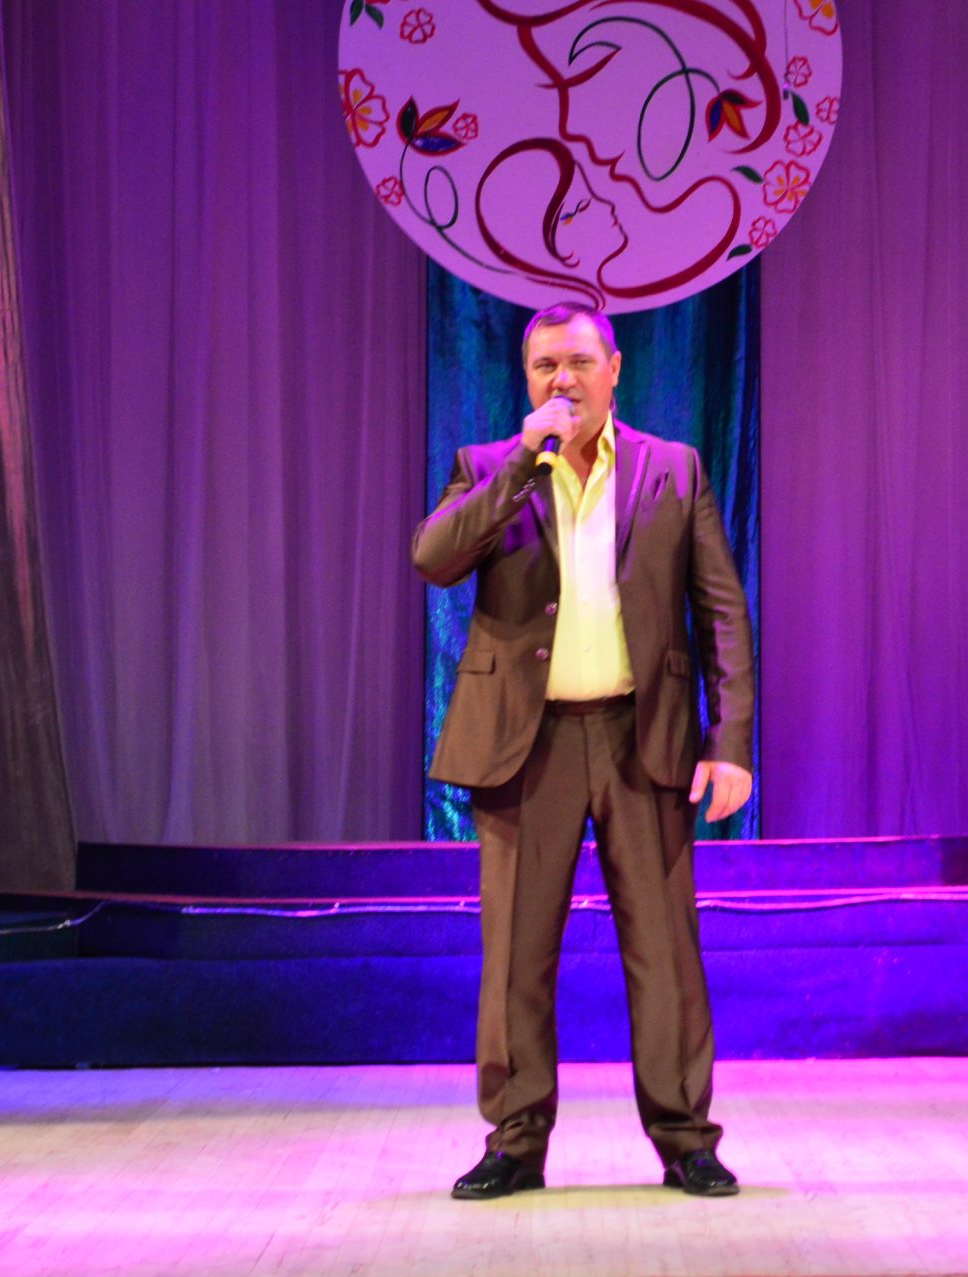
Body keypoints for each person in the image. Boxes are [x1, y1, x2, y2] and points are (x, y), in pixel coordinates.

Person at [412, 301, 754, 1199]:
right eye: (543, 367)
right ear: (526, 380)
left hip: (644, 736)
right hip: (527, 744)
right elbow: (434, 558)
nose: (561, 380)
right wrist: (522, 463)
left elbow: (720, 608)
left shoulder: (674, 468)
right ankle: (515, 1141)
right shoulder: (489, 466)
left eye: (576, 362)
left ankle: (686, 1138)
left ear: (614, 369)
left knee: (665, 950)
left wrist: (730, 741)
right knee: (516, 954)